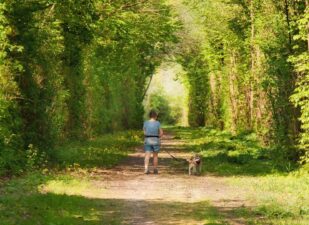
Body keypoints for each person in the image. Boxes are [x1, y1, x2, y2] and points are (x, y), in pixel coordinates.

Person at [143, 110, 163, 174]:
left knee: (147, 155)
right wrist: (158, 137)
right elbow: (161, 133)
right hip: (155, 140)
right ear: (155, 116)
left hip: (147, 140)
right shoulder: (158, 123)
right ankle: (155, 169)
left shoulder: (146, 123)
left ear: (149, 116)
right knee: (155, 156)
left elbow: (144, 132)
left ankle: (146, 169)